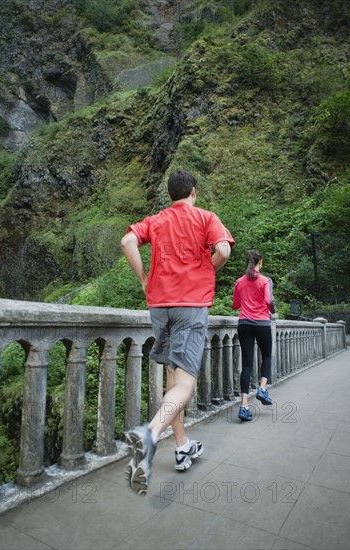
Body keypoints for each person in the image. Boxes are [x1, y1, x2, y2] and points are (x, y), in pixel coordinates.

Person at [121, 169, 234, 495]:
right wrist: (203, 271)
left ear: (170, 195)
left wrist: (144, 277)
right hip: (190, 305)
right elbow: (224, 250)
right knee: (185, 383)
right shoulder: (205, 217)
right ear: (193, 192)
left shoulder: (156, 220)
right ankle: (150, 435)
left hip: (160, 306)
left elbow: (128, 240)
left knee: (173, 379)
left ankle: (182, 446)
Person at [232, 249, 276, 422]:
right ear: (260, 263)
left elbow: (235, 305)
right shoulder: (266, 281)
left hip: (244, 324)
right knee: (266, 356)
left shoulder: (239, 282)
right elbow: (269, 301)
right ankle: (262, 388)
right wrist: (272, 310)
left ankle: (244, 407)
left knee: (247, 364)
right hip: (262, 324)